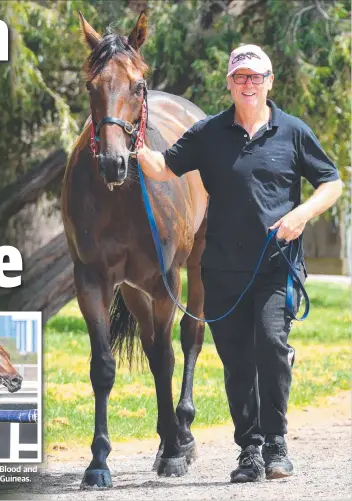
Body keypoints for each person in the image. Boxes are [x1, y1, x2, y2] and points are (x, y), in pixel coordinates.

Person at [137, 44, 343, 482]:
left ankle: (276, 444)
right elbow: (162, 168)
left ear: (269, 82)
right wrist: (131, 140)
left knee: (269, 345)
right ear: (229, 83)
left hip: (276, 264)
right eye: (240, 77)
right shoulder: (209, 133)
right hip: (223, 269)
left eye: (256, 77)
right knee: (236, 361)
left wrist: (302, 214)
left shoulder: (292, 131)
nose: (248, 84)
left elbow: (332, 182)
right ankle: (248, 450)